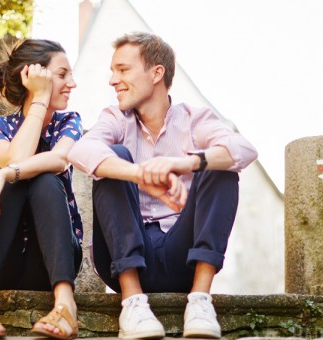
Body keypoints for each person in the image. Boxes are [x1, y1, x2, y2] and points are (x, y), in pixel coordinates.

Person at [67, 32, 258, 339]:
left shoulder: (196, 118)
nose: (112, 80)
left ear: (156, 72)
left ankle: (199, 301)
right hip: (124, 257)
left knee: (220, 164)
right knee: (112, 157)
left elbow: (245, 150)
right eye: (113, 71)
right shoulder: (116, 118)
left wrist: (183, 163)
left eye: (123, 69)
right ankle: (132, 302)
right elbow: (80, 151)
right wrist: (139, 173)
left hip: (183, 256)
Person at [0, 39, 83, 340]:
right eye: (62, 74)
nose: (72, 83)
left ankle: (65, 304)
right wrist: (39, 97)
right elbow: (17, 157)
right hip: (0, 259)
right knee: (15, 178)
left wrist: (3, 174)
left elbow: (58, 159)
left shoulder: (69, 121)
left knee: (41, 177)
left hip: (51, 261)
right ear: (34, 77)